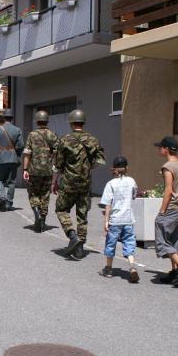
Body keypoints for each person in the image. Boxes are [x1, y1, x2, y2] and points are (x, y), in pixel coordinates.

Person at [52, 109, 106, 259]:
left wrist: (54, 181)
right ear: (83, 122)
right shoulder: (93, 139)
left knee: (61, 209)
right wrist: (88, 167)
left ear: (71, 122)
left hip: (68, 183)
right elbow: (101, 160)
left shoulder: (65, 140)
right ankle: (80, 249)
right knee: (82, 215)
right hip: (85, 183)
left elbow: (58, 164)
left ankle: (72, 235)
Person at [153, 136, 178, 286]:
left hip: (173, 208)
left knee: (161, 238)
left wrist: (162, 211)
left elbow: (168, 191)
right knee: (174, 241)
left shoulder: (168, 167)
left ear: (166, 149)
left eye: (161, 147)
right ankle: (176, 274)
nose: (159, 149)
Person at [99, 156, 140, 283]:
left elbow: (108, 204)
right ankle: (132, 267)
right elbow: (134, 196)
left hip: (115, 219)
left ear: (114, 169)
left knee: (110, 243)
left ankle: (108, 269)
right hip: (128, 218)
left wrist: (106, 221)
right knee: (129, 242)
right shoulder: (132, 181)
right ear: (127, 168)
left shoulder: (111, 184)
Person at [23, 110, 58, 233]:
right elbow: (58, 153)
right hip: (48, 170)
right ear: (47, 121)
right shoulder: (53, 135)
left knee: (33, 193)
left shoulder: (32, 135)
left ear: (37, 121)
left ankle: (36, 212)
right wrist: (54, 166)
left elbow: (27, 153)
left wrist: (25, 169)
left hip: (33, 170)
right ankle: (42, 220)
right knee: (45, 195)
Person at [0, 109, 24, 211]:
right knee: (11, 182)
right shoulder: (17, 130)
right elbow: (21, 145)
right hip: (13, 158)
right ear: (12, 118)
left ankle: (2, 197)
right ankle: (9, 202)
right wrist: (16, 154)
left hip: (1, 158)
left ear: (3, 117)